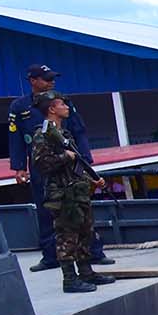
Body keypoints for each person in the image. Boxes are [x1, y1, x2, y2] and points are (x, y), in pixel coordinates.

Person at [6, 63, 111, 272]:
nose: (51, 81)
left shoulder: (63, 101)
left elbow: (78, 130)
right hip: (42, 164)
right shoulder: (20, 107)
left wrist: (86, 161)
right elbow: (16, 137)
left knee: (82, 209)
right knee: (47, 210)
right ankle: (50, 256)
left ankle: (93, 253)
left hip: (71, 163)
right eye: (46, 78)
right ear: (33, 81)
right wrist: (18, 167)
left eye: (52, 78)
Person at [28, 93, 111, 294]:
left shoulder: (63, 134)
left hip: (77, 191)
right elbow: (41, 164)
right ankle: (70, 279)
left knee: (84, 233)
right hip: (62, 195)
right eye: (62, 104)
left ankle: (86, 272)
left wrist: (91, 180)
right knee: (67, 237)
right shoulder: (43, 135)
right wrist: (65, 156)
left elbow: (76, 165)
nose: (66, 107)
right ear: (51, 109)